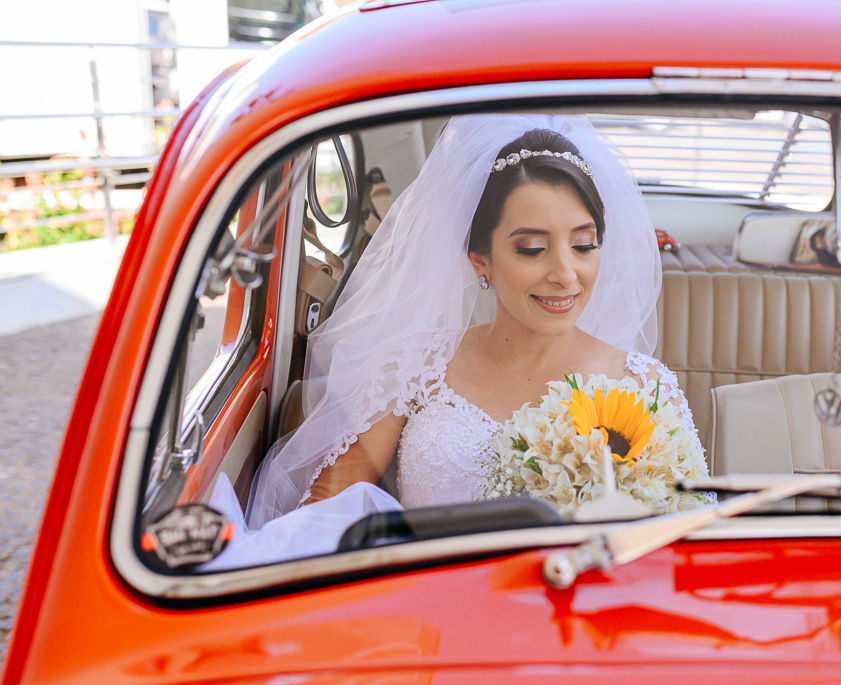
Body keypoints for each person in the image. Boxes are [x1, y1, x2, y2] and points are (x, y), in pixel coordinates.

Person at [205, 114, 703, 569]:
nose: (565, 274)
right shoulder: (418, 365)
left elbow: (689, 534)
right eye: (532, 249)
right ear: (479, 260)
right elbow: (328, 509)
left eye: (583, 245)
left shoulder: (643, 384)